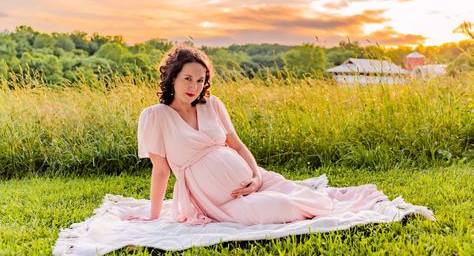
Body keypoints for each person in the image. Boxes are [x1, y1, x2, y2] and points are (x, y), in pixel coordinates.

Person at [127, 45, 386, 225]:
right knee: (284, 207)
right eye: (187, 79)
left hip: (253, 181)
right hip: (221, 200)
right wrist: (154, 214)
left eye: (200, 80)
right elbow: (160, 170)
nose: (194, 87)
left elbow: (237, 146)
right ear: (172, 78)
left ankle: (268, 188)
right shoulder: (155, 116)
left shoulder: (212, 104)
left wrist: (255, 175)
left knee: (300, 195)